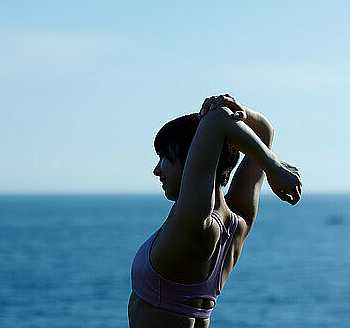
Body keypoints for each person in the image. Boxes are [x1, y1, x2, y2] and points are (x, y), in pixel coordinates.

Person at [128, 94, 302, 327]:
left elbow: (217, 120)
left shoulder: (194, 222)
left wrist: (274, 167)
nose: (156, 170)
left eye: (164, 158)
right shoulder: (238, 222)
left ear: (194, 159)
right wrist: (241, 111)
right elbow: (264, 132)